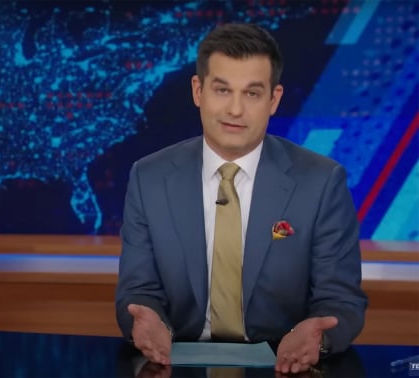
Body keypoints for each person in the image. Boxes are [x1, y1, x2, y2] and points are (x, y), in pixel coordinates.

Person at [115, 23, 367, 375]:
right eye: (222, 90)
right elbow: (138, 291)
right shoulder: (149, 177)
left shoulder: (322, 182)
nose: (235, 109)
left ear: (273, 100)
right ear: (197, 91)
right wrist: (147, 322)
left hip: (284, 366)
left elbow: (341, 300)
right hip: (176, 365)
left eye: (251, 93)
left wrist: (317, 338)